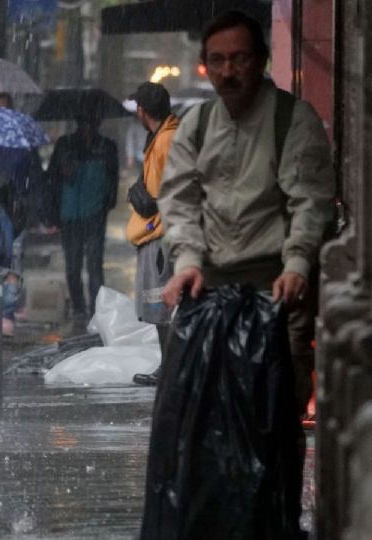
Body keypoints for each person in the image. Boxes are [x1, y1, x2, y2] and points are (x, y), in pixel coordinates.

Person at [159, 10, 335, 413]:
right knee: (206, 414)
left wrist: (296, 265)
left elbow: (309, 200)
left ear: (260, 61)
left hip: (277, 287)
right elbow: (178, 199)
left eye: (239, 59)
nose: (228, 71)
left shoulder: (292, 120)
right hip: (211, 287)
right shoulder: (196, 124)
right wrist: (186, 260)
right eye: (217, 61)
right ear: (206, 66)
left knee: (276, 411)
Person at [0, 93, 44, 337]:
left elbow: (26, 177)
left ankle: (6, 313)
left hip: (13, 212)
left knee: (12, 263)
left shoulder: (19, 144)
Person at [125, 82, 179, 386]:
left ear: (143, 111)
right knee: (162, 305)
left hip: (160, 234)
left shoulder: (164, 141)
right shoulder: (165, 136)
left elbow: (162, 195)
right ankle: (170, 368)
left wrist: (143, 197)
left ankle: (170, 371)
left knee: (162, 305)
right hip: (162, 231)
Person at [42, 114, 119, 327]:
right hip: (75, 214)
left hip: (86, 213)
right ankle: (82, 308)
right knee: (78, 264)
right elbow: (54, 177)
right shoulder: (75, 145)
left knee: (88, 264)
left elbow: (112, 181)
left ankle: (90, 309)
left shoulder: (102, 147)